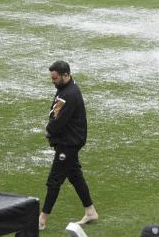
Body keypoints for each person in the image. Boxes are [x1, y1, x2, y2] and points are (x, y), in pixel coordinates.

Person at [40, 60, 98, 230]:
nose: (52, 81)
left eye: (55, 78)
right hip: (71, 140)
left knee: (54, 180)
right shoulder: (67, 88)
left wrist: (48, 132)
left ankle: (41, 221)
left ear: (65, 76)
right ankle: (90, 212)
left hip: (68, 143)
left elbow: (59, 120)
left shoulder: (69, 94)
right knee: (74, 175)